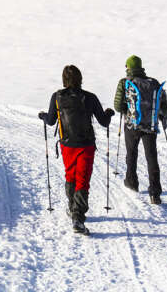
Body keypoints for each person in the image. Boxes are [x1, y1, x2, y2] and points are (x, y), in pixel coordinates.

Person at [39, 64, 114, 233]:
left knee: (71, 175)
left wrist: (43, 116)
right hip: (86, 145)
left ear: (64, 80)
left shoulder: (57, 96)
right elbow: (104, 122)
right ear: (80, 78)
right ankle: (78, 217)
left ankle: (73, 209)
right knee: (82, 179)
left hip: (67, 145)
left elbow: (50, 121)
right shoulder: (90, 97)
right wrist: (109, 113)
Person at [112, 55, 167, 204]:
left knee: (132, 153)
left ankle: (132, 183)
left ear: (128, 68)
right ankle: (155, 193)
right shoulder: (154, 83)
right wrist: (161, 117)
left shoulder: (125, 82)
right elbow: (166, 106)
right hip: (150, 126)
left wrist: (127, 109)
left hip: (132, 124)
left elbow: (118, 106)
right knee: (152, 157)